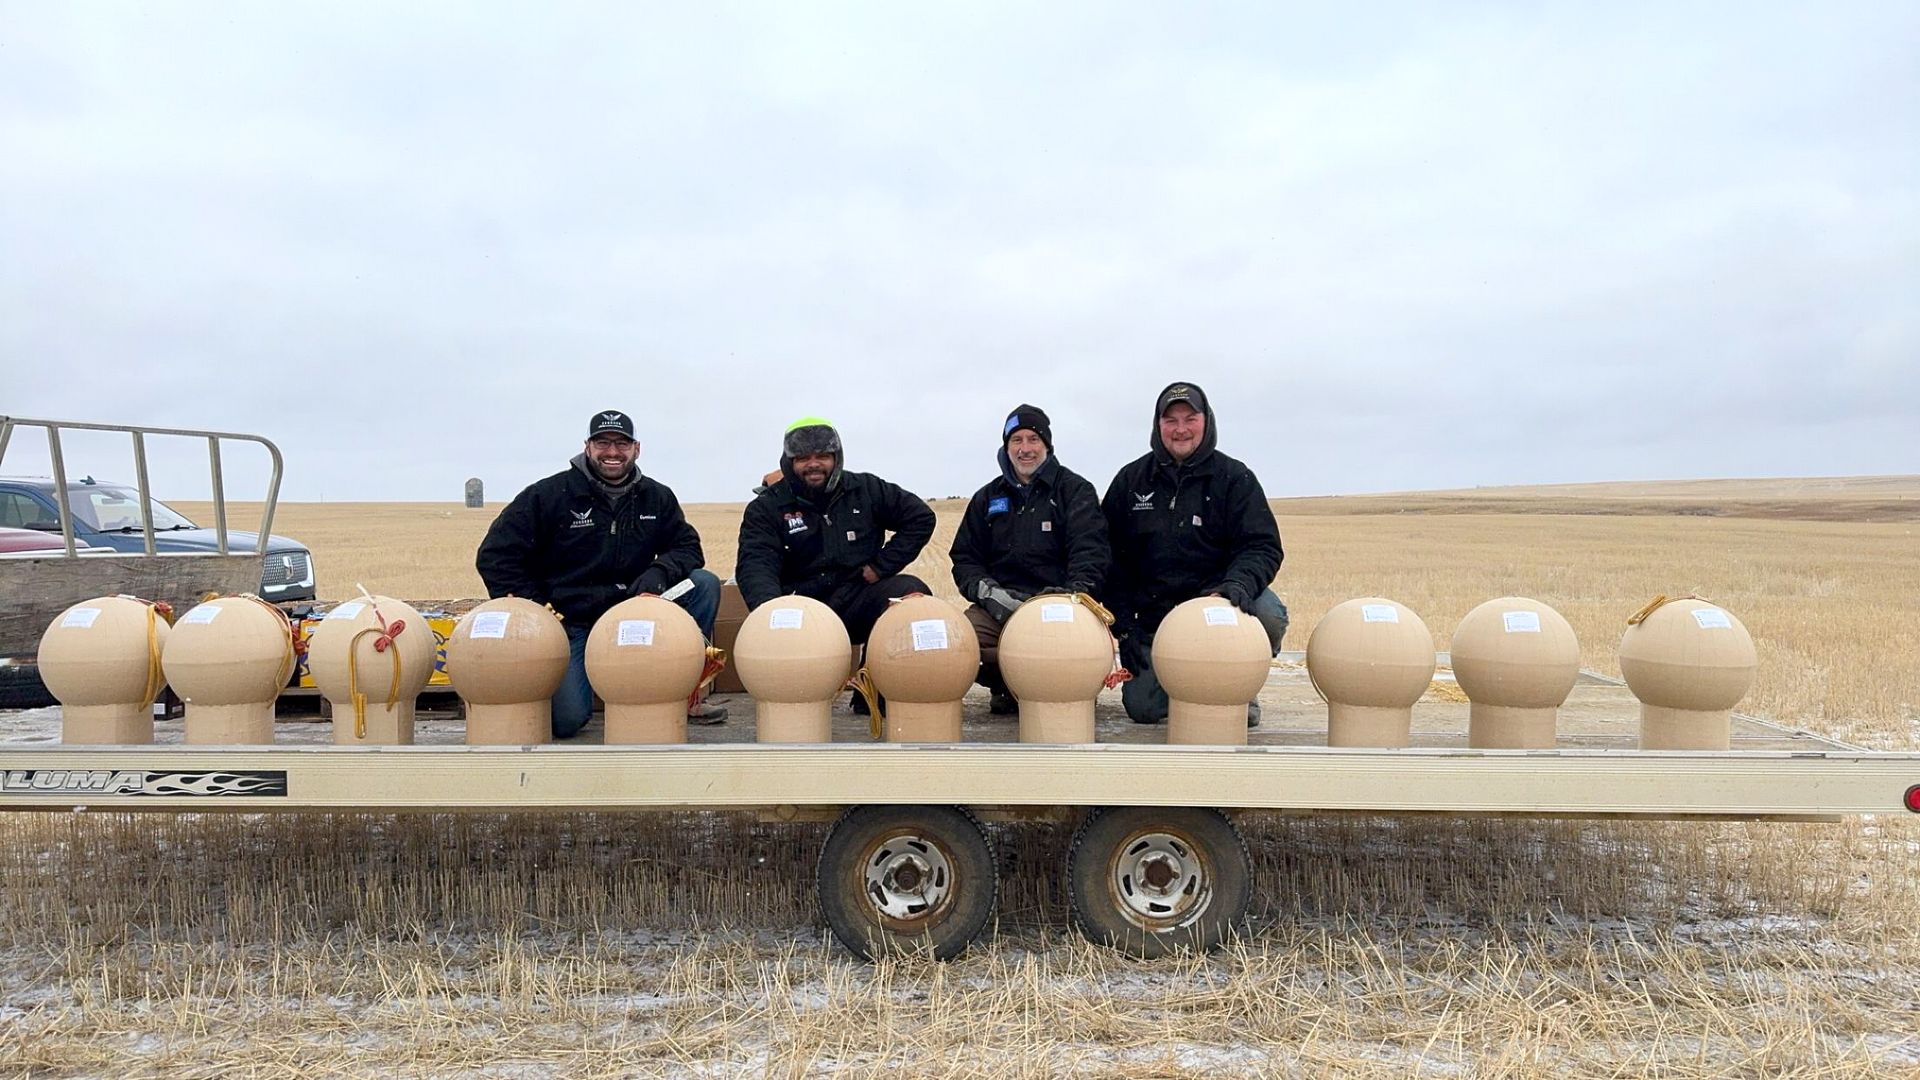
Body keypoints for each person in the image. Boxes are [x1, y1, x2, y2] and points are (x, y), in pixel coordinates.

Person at [476, 409, 725, 738]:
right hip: (569, 623)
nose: (612, 452)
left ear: (636, 449)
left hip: (632, 614)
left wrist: (659, 570)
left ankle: (683, 693)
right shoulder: (548, 495)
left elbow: (688, 548)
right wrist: (537, 610)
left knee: (702, 584)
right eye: (603, 442)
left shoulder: (656, 496)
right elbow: (495, 556)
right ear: (587, 446)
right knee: (566, 721)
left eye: (621, 444)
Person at [1101, 382, 1288, 726]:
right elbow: (1109, 559)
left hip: (1218, 609)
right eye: (1171, 420)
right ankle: (1190, 684)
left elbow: (1262, 546)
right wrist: (1125, 628)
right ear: (1158, 425)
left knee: (1270, 612)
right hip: (1157, 617)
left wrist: (1236, 585)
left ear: (1207, 421)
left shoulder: (1234, 478)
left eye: (1190, 418)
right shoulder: (1130, 481)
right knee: (1144, 710)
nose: (1181, 429)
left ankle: (1238, 682)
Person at [735, 417, 936, 711]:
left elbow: (920, 518)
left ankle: (872, 690)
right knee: (799, 701)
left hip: (855, 597)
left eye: (822, 456)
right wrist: (771, 612)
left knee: (911, 593)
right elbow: (755, 565)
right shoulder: (767, 507)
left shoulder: (866, 489)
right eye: (802, 458)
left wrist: (880, 566)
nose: (813, 464)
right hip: (801, 609)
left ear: (836, 458)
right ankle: (800, 697)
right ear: (789, 461)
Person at [949, 404, 1110, 714]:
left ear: (1047, 445)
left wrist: (1069, 595)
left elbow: (1091, 553)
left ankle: (1065, 688)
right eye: (1016, 440)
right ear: (1006, 446)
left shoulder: (1074, 491)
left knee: (1066, 651)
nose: (1025, 449)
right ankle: (1010, 685)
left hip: (1060, 606)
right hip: (1001, 606)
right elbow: (965, 557)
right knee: (960, 642)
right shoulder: (988, 497)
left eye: (1033, 440)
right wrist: (988, 592)